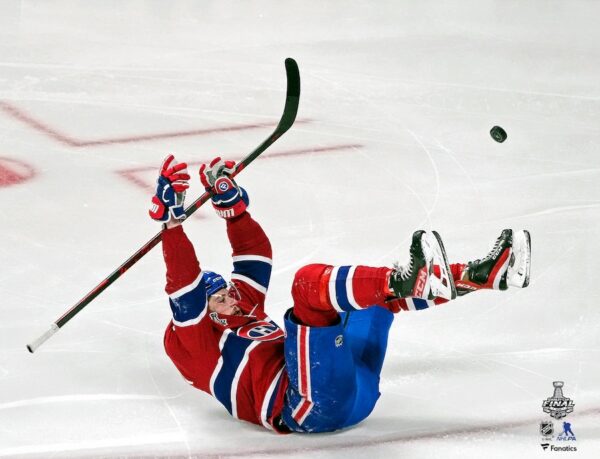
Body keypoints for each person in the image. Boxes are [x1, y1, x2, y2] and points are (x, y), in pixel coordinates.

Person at [149, 154, 531, 433]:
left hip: (354, 388)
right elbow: (183, 284)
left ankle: (486, 274)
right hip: (308, 406)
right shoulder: (195, 344)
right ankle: (406, 280)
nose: (232, 297)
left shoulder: (242, 309)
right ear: (206, 310)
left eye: (229, 292)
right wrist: (171, 224)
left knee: (370, 298)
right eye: (220, 298)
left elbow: (255, 257)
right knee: (307, 286)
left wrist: (233, 211)